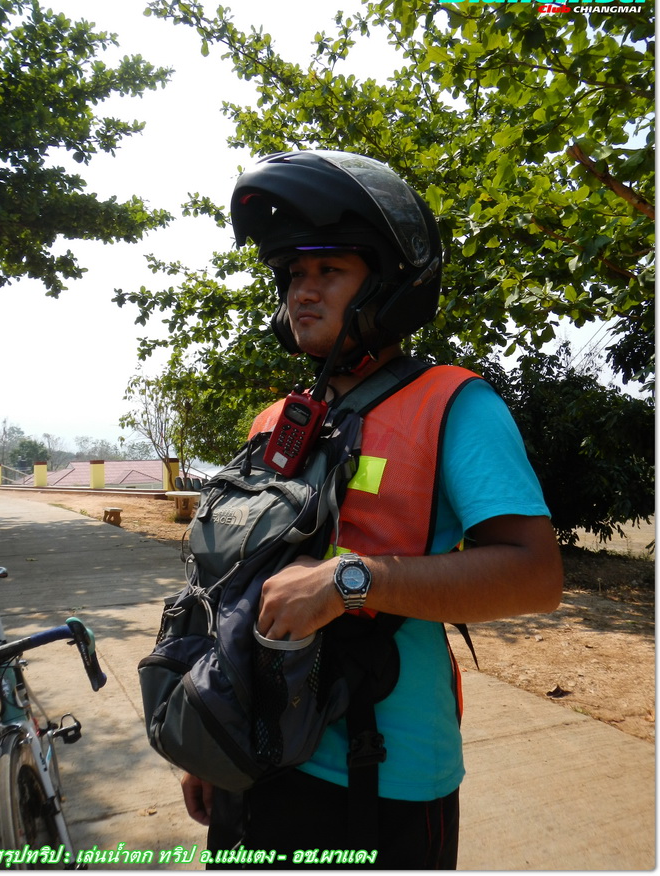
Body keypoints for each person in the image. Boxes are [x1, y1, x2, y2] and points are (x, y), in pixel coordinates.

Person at [181, 150, 563, 869]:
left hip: (381, 774)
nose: (302, 290)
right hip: (253, 758)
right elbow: (230, 589)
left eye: (328, 269)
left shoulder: (454, 404)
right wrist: (204, 734)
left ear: (389, 282)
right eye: (291, 273)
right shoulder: (276, 421)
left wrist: (349, 581)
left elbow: (536, 576)